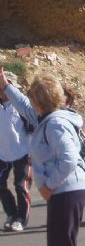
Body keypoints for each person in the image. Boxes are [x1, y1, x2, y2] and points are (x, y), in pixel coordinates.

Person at [0, 69, 85, 246]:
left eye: (32, 95)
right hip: (65, 190)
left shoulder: (55, 123)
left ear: (38, 100)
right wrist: (6, 86)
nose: (30, 99)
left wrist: (48, 186)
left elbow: (69, 159)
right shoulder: (45, 117)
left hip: (67, 189)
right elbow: (24, 106)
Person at [0, 76, 32, 233]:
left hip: (22, 153)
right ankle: (11, 214)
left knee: (21, 186)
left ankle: (21, 219)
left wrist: (33, 153)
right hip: (2, 154)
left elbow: (32, 128)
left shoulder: (20, 107)